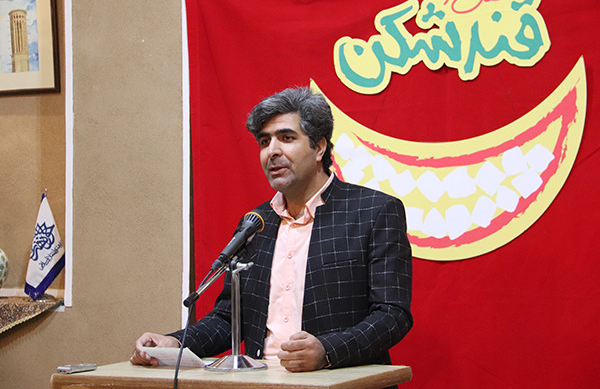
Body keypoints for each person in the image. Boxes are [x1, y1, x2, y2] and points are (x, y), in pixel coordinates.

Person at [131, 86, 412, 372]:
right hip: (260, 380)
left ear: (319, 147)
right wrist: (175, 342)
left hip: (338, 379)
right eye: (264, 142)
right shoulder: (256, 223)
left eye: (286, 138)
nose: (272, 151)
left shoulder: (373, 211)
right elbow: (228, 319)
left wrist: (328, 351)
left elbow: (392, 314)